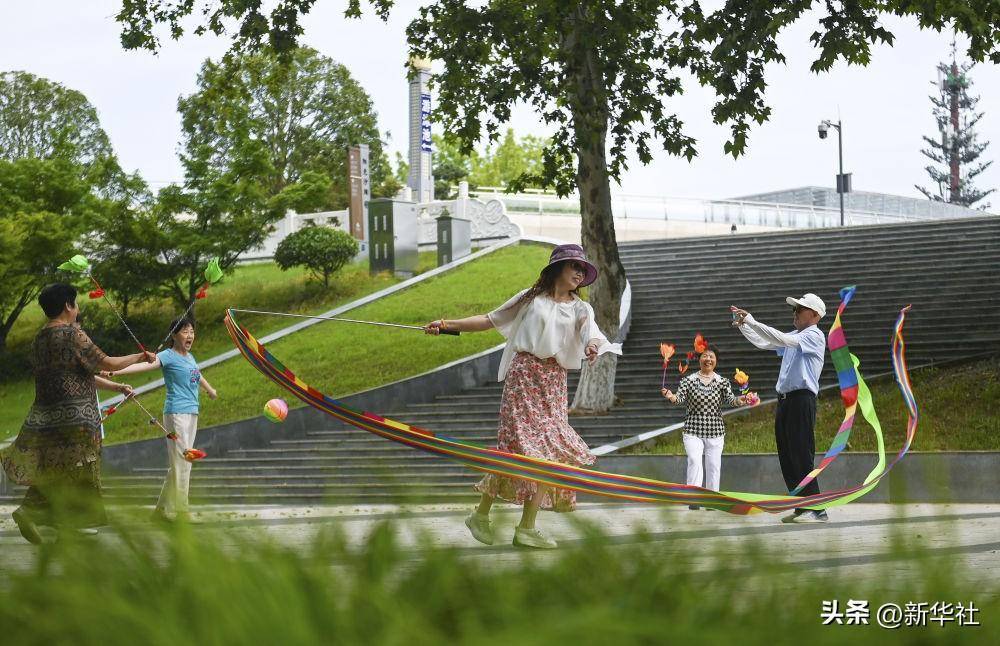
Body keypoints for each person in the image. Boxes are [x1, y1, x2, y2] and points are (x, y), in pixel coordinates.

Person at [424, 244, 621, 549]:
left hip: (554, 382)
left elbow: (591, 332)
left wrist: (593, 347)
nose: (580, 274)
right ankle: (489, 518)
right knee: (520, 450)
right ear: (558, 267)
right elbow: (490, 319)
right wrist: (446, 325)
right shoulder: (531, 297)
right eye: (575, 267)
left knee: (551, 453)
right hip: (524, 377)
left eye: (583, 270)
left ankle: (522, 526)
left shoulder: (582, 308)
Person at [1, 283, 155, 544]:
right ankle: (63, 520)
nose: (78, 308)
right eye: (76, 303)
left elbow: (80, 374)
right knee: (79, 468)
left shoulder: (39, 340)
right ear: (67, 306)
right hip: (78, 418)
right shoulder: (72, 335)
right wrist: (140, 357)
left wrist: (116, 386)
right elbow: (107, 362)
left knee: (56, 469)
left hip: (46, 418)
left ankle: (45, 515)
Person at [105, 316, 217, 522]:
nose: (190, 335)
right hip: (176, 414)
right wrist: (115, 370)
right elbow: (144, 366)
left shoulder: (190, 357)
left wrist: (209, 390)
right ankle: (183, 511)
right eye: (185, 331)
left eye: (192, 331)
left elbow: (197, 374)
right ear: (174, 335)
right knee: (185, 460)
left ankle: (160, 512)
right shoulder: (167, 356)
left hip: (192, 412)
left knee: (179, 463)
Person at [731, 293, 828, 523]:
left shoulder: (814, 335)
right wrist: (745, 326)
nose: (795, 312)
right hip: (785, 400)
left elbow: (782, 339)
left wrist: (753, 321)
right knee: (787, 454)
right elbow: (766, 342)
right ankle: (801, 506)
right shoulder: (796, 335)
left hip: (802, 399)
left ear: (814, 315)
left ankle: (817, 509)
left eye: (800, 308)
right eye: (794, 308)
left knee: (802, 454)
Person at [662, 345, 749, 509]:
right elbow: (679, 399)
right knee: (694, 461)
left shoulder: (722, 382)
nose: (708, 359)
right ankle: (694, 499)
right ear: (699, 359)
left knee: (714, 466)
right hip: (693, 430)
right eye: (705, 356)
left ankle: (712, 500)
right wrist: (671, 396)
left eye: (711, 357)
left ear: (716, 361)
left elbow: (731, 400)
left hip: (715, 432)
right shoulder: (688, 380)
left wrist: (741, 400)